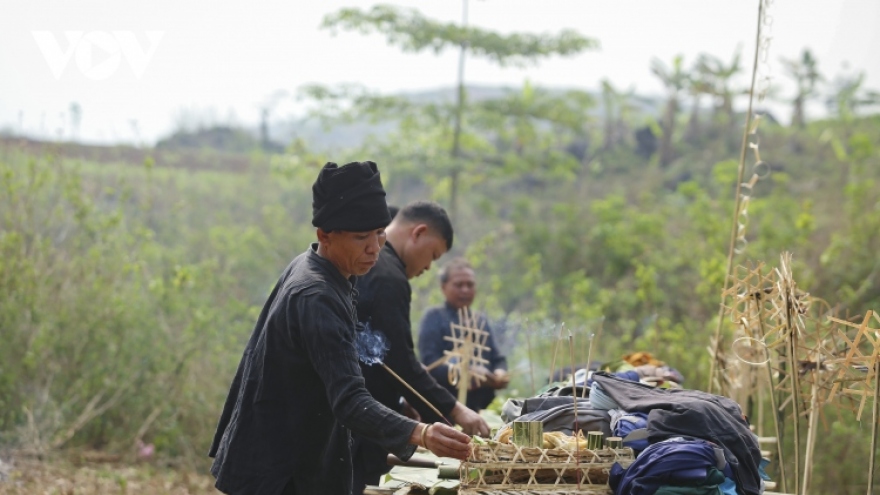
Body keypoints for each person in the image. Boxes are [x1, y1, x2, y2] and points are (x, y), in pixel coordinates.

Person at [208, 161, 471, 495]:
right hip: (280, 469)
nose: (374, 249)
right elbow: (349, 400)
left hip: (296, 454)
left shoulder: (323, 268)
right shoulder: (315, 294)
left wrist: (400, 410)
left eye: (379, 234)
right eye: (361, 237)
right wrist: (421, 433)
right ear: (325, 236)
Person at [352, 201, 489, 494]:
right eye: (433, 255)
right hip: (359, 418)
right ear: (419, 232)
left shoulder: (378, 268)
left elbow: (379, 356)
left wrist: (402, 402)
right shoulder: (388, 274)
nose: (428, 267)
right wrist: (456, 410)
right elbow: (400, 360)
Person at [418, 257, 509, 417]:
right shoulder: (434, 317)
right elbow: (430, 363)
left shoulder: (480, 320)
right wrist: (465, 371)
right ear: (443, 287)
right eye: (459, 285)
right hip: (446, 410)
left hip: (483, 409)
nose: (465, 290)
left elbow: (497, 358)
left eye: (470, 285)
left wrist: (499, 373)